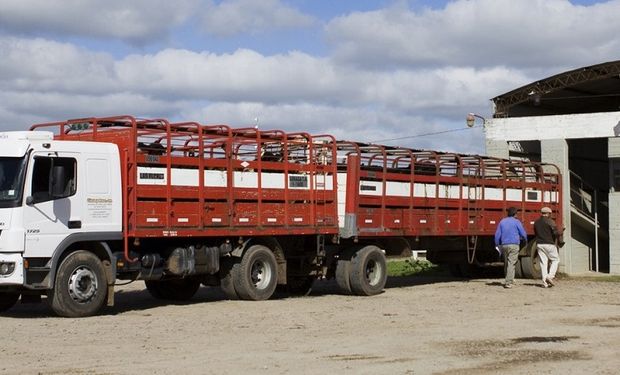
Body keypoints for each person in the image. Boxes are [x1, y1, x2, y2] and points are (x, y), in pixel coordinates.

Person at [494, 206, 527, 289]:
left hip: (504, 245)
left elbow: (497, 235)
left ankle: (509, 278)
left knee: (506, 263)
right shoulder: (516, 222)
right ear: (515, 214)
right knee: (511, 263)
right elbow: (523, 233)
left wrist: (497, 244)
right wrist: (525, 240)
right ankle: (508, 282)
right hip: (514, 244)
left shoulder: (502, 221)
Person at [534, 207, 561, 288]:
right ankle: (550, 276)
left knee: (543, 263)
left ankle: (545, 283)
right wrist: (561, 231)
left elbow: (535, 233)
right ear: (548, 213)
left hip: (539, 244)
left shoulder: (536, 222)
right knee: (555, 260)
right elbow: (555, 233)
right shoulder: (550, 221)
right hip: (549, 244)